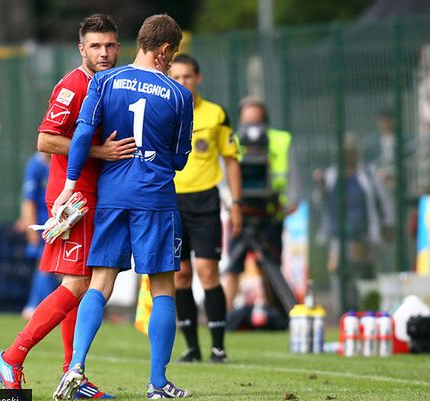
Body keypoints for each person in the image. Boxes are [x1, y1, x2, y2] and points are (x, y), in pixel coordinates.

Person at [0, 14, 136, 399]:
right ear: (81, 49)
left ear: (119, 47)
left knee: (82, 284)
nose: (103, 53)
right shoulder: (74, 87)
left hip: (94, 194)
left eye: (109, 45)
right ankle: (12, 356)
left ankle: (74, 374)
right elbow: (45, 140)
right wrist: (100, 151)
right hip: (73, 198)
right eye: (95, 46)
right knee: (77, 285)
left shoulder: (109, 83)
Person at [52, 14, 193, 400]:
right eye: (174, 53)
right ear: (164, 51)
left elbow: (82, 134)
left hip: (112, 195)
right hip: (155, 199)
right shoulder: (179, 95)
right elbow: (180, 159)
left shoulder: (104, 81)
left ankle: (76, 365)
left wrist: (68, 185)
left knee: (100, 282)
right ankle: (158, 383)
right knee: (163, 287)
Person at [168, 54, 242, 363]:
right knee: (180, 275)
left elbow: (231, 158)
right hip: (170, 201)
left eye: (187, 77)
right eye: (177, 77)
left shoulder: (215, 114)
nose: (182, 82)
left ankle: (218, 346)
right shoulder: (162, 111)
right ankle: (191, 348)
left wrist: (236, 203)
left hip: (205, 201)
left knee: (208, 271)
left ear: (198, 78)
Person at [223, 97, 300, 312]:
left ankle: (279, 313)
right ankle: (222, 318)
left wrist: (290, 202)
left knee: (270, 266)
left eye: (257, 121)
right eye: (248, 122)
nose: (252, 128)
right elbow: (224, 177)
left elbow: (292, 175)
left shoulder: (280, 141)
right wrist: (231, 205)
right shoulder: (233, 142)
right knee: (233, 267)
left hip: (270, 214)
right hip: (242, 214)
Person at [313, 133, 394, 314]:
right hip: (340, 238)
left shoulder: (368, 173)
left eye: (351, 151)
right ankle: (344, 315)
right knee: (341, 279)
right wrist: (321, 185)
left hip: (366, 235)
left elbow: (383, 201)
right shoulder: (331, 175)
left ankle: (370, 313)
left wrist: (388, 224)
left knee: (368, 278)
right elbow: (321, 201)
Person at [16, 152, 58, 320]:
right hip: (42, 225)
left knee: (46, 266)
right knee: (44, 265)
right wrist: (31, 228)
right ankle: (41, 306)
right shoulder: (35, 165)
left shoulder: (59, 161)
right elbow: (28, 200)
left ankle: (34, 305)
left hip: (57, 223)